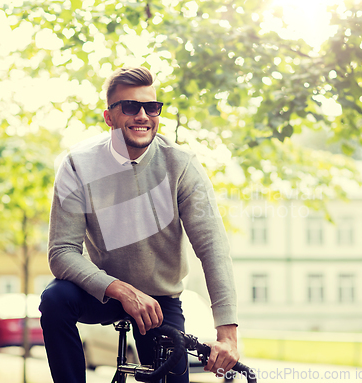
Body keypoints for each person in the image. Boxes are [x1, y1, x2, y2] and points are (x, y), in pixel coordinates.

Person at [39, 66, 239, 383]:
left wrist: (227, 331)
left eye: (152, 107)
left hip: (160, 300)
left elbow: (212, 247)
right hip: (104, 293)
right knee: (54, 299)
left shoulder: (182, 165)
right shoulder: (78, 164)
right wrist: (119, 289)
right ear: (109, 117)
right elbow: (62, 252)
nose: (143, 115)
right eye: (131, 106)